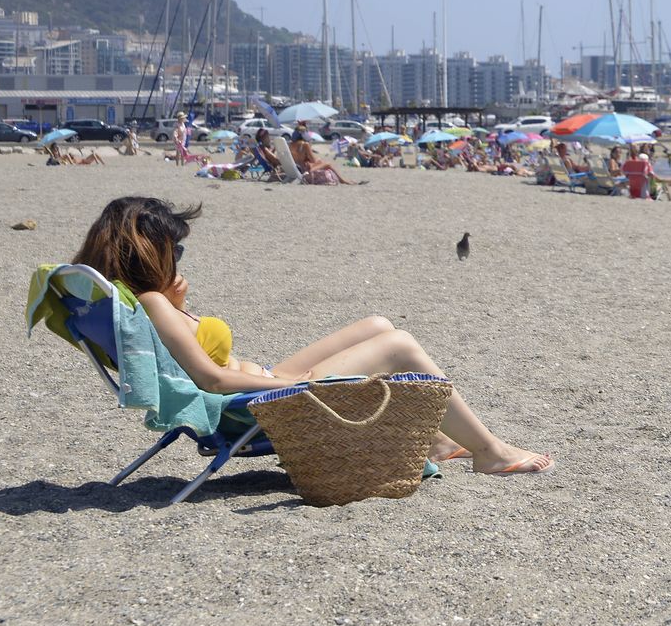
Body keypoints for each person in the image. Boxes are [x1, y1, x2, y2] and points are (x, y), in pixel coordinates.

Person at [70, 196, 552, 473]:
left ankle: (438, 441)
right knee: (399, 344)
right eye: (174, 248)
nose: (178, 257)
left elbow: (187, 365)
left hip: (260, 384)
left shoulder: (140, 304)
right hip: (254, 402)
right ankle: (490, 452)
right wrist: (293, 387)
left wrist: (178, 310)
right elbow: (212, 381)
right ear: (149, 251)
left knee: (377, 326)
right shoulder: (151, 303)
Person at [290, 134, 359, 185]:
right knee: (327, 164)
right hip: (306, 171)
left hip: (298, 168)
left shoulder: (291, 145)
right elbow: (313, 160)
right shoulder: (305, 144)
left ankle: (343, 181)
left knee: (321, 161)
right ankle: (343, 181)